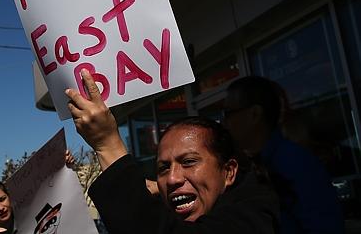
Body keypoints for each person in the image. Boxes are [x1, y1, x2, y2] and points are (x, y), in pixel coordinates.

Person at [65, 68, 279, 234]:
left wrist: (107, 144)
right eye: (163, 168)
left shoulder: (256, 214)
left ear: (229, 172)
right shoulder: (171, 205)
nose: (173, 178)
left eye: (189, 162)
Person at [223, 76, 344, 234]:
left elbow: (324, 227)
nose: (225, 122)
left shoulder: (296, 163)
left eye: (228, 113)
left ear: (254, 114)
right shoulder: (250, 165)